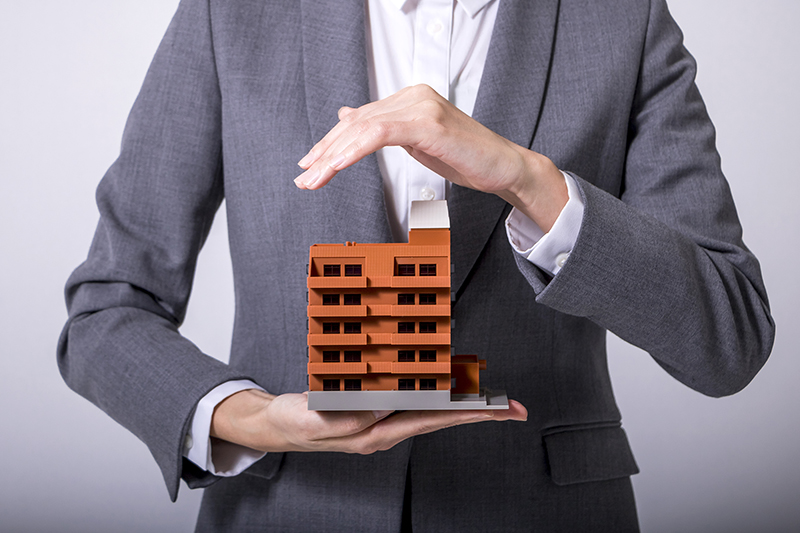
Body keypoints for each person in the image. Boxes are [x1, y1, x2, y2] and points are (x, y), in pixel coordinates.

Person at [58, 0, 774, 531]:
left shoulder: (621, 19)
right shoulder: (236, 12)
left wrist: (530, 182)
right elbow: (106, 311)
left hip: (543, 510)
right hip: (289, 508)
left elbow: (730, 340)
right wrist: (254, 419)